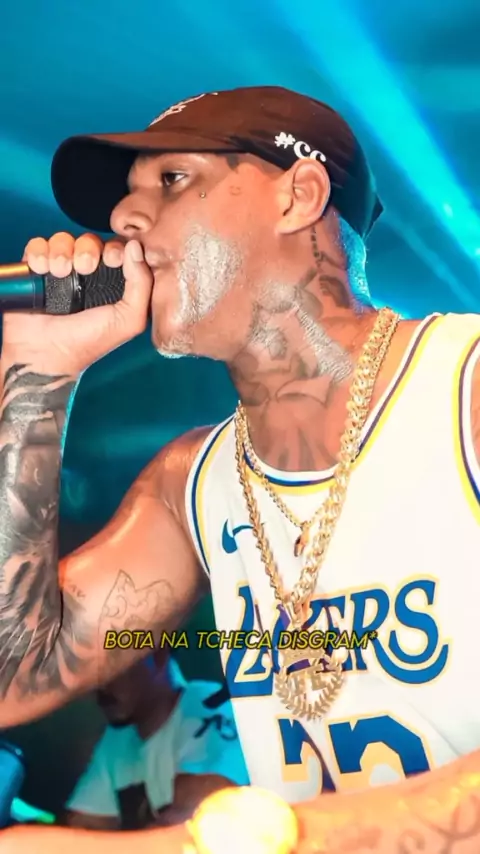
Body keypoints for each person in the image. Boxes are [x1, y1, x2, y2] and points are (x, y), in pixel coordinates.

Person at [0, 84, 479, 852]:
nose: (124, 219)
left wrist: (226, 842)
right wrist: (36, 375)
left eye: (171, 180)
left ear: (299, 195)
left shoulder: (464, 388)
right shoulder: (190, 481)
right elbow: (14, 678)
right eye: (126, 198)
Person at [61, 651, 248, 830]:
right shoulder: (116, 738)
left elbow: (195, 825)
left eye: (111, 664)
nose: (99, 683)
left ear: (157, 656)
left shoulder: (208, 706)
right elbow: (79, 830)